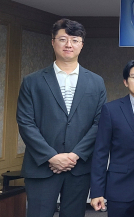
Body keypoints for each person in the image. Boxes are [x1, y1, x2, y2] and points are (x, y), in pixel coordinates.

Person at [17, 18, 107, 217]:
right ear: (52, 42)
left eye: (75, 40)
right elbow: (25, 122)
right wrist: (51, 156)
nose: (69, 45)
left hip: (79, 169)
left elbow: (99, 123)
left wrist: (74, 156)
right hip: (41, 168)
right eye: (63, 39)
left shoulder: (96, 82)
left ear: (82, 45)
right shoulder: (32, 81)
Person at [90, 58, 134, 217]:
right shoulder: (111, 110)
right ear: (125, 82)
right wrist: (96, 191)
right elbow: (100, 153)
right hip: (120, 187)